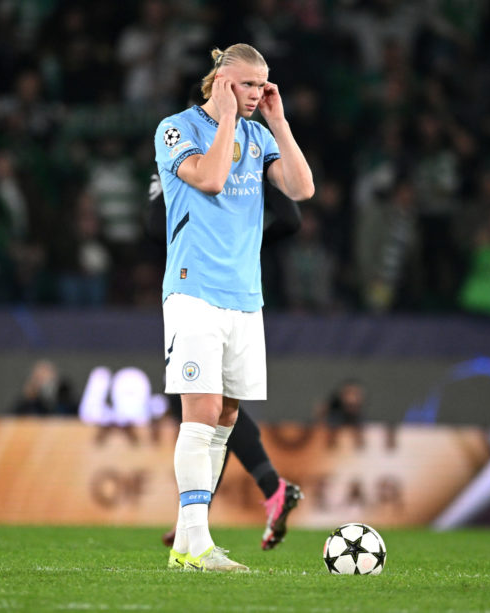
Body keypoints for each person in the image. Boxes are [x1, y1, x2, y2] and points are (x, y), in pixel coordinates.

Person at [154, 43, 314, 572]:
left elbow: (302, 188)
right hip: (193, 289)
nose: (258, 94)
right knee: (200, 415)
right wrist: (225, 119)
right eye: (248, 85)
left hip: (246, 298)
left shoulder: (258, 133)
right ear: (221, 82)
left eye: (264, 84)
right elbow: (212, 178)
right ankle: (193, 543)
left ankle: (192, 543)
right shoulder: (175, 129)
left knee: (225, 414)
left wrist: (280, 122)